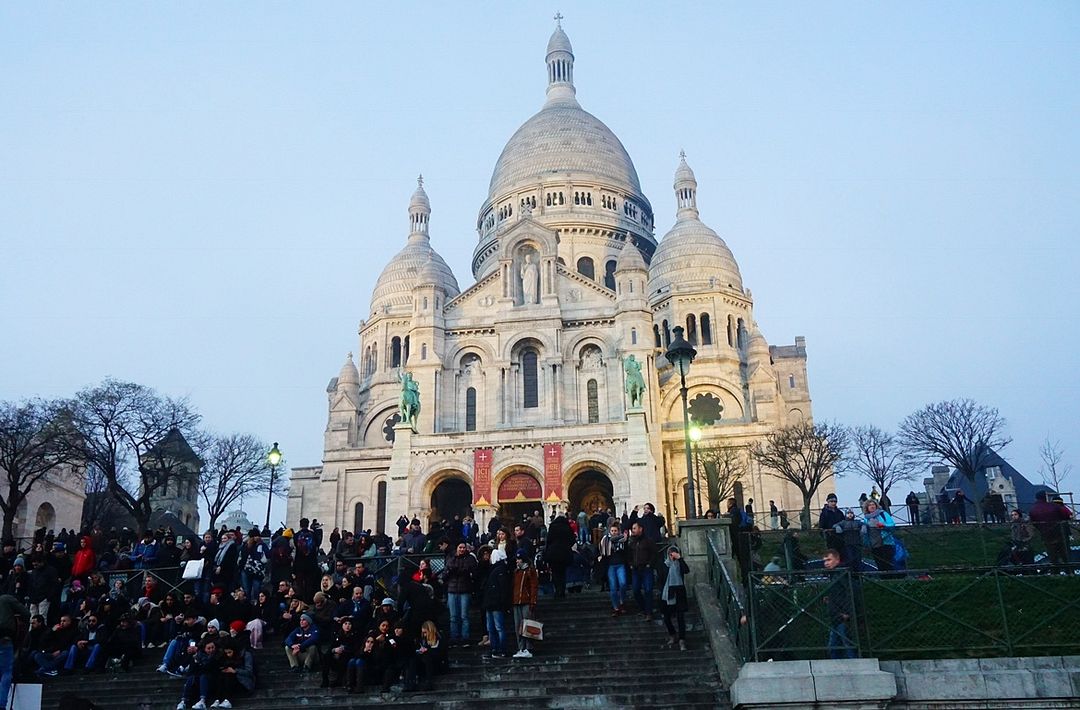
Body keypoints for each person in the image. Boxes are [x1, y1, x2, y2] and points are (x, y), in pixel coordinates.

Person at [821, 549, 856, 659]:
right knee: (836, 646)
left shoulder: (841, 574)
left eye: (829, 560)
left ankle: (854, 663)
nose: (826, 563)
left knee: (844, 644)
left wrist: (847, 612)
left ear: (837, 560)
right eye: (825, 561)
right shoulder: (835, 574)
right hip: (836, 615)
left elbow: (849, 592)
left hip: (841, 615)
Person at [444, 541, 477, 646]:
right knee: (453, 616)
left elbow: (474, 573)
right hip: (452, 589)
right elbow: (445, 573)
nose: (462, 549)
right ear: (457, 548)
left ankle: (465, 638)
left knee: (464, 616)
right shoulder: (451, 558)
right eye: (460, 547)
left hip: (465, 589)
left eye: (464, 547)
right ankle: (454, 638)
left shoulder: (470, 559)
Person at [1028, 491, 1073, 567]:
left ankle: (1055, 573)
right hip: (1060, 534)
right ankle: (1069, 573)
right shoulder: (1054, 506)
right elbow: (1066, 516)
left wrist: (1041, 529)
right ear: (1045, 496)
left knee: (1052, 557)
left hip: (1046, 535)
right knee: (1065, 555)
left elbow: (1034, 522)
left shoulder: (1033, 509)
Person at [482, 548, 511, 659]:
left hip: (495, 603)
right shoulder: (495, 569)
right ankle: (495, 649)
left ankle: (501, 649)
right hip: (491, 603)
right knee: (492, 628)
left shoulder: (499, 570)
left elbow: (503, 589)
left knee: (498, 627)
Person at [660, 545, 690, 651]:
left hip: (679, 592)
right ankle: (672, 634)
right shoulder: (665, 565)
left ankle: (682, 639)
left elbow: (686, 570)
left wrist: (679, 558)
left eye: (674, 552)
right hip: (667, 593)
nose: (672, 555)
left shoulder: (680, 564)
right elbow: (661, 578)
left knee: (680, 617)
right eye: (670, 553)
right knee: (666, 617)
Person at [511, 548, 538, 659]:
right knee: (518, 626)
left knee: (527, 624)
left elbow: (533, 587)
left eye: (518, 559)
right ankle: (521, 647)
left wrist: (533, 601)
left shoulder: (529, 571)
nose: (517, 561)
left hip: (526, 601)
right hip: (517, 601)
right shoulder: (516, 572)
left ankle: (528, 647)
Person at [0, 593, 28, 704]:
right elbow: (26, 613)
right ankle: (1, 704)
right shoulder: (6, 599)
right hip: (4, 637)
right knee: (6, 672)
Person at [626, 522, 657, 620]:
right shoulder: (632, 542)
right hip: (635, 569)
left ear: (640, 529)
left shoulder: (648, 541)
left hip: (646, 569)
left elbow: (654, 553)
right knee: (635, 590)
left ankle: (649, 612)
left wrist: (649, 564)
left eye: (635, 528)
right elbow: (628, 554)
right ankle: (644, 608)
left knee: (648, 590)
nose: (633, 530)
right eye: (632, 528)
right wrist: (630, 564)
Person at [544, 515, 574, 599]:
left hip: (553, 553)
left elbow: (549, 540)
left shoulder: (552, 527)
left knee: (555, 573)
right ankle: (562, 591)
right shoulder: (567, 528)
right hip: (564, 553)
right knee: (562, 573)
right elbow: (572, 539)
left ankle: (557, 590)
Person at [861, 501, 896, 572]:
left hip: (885, 541)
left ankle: (892, 578)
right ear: (867, 508)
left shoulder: (883, 514)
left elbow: (892, 524)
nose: (872, 506)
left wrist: (883, 525)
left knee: (888, 561)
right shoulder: (866, 518)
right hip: (874, 543)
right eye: (869, 505)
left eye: (873, 504)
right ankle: (883, 579)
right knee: (879, 562)